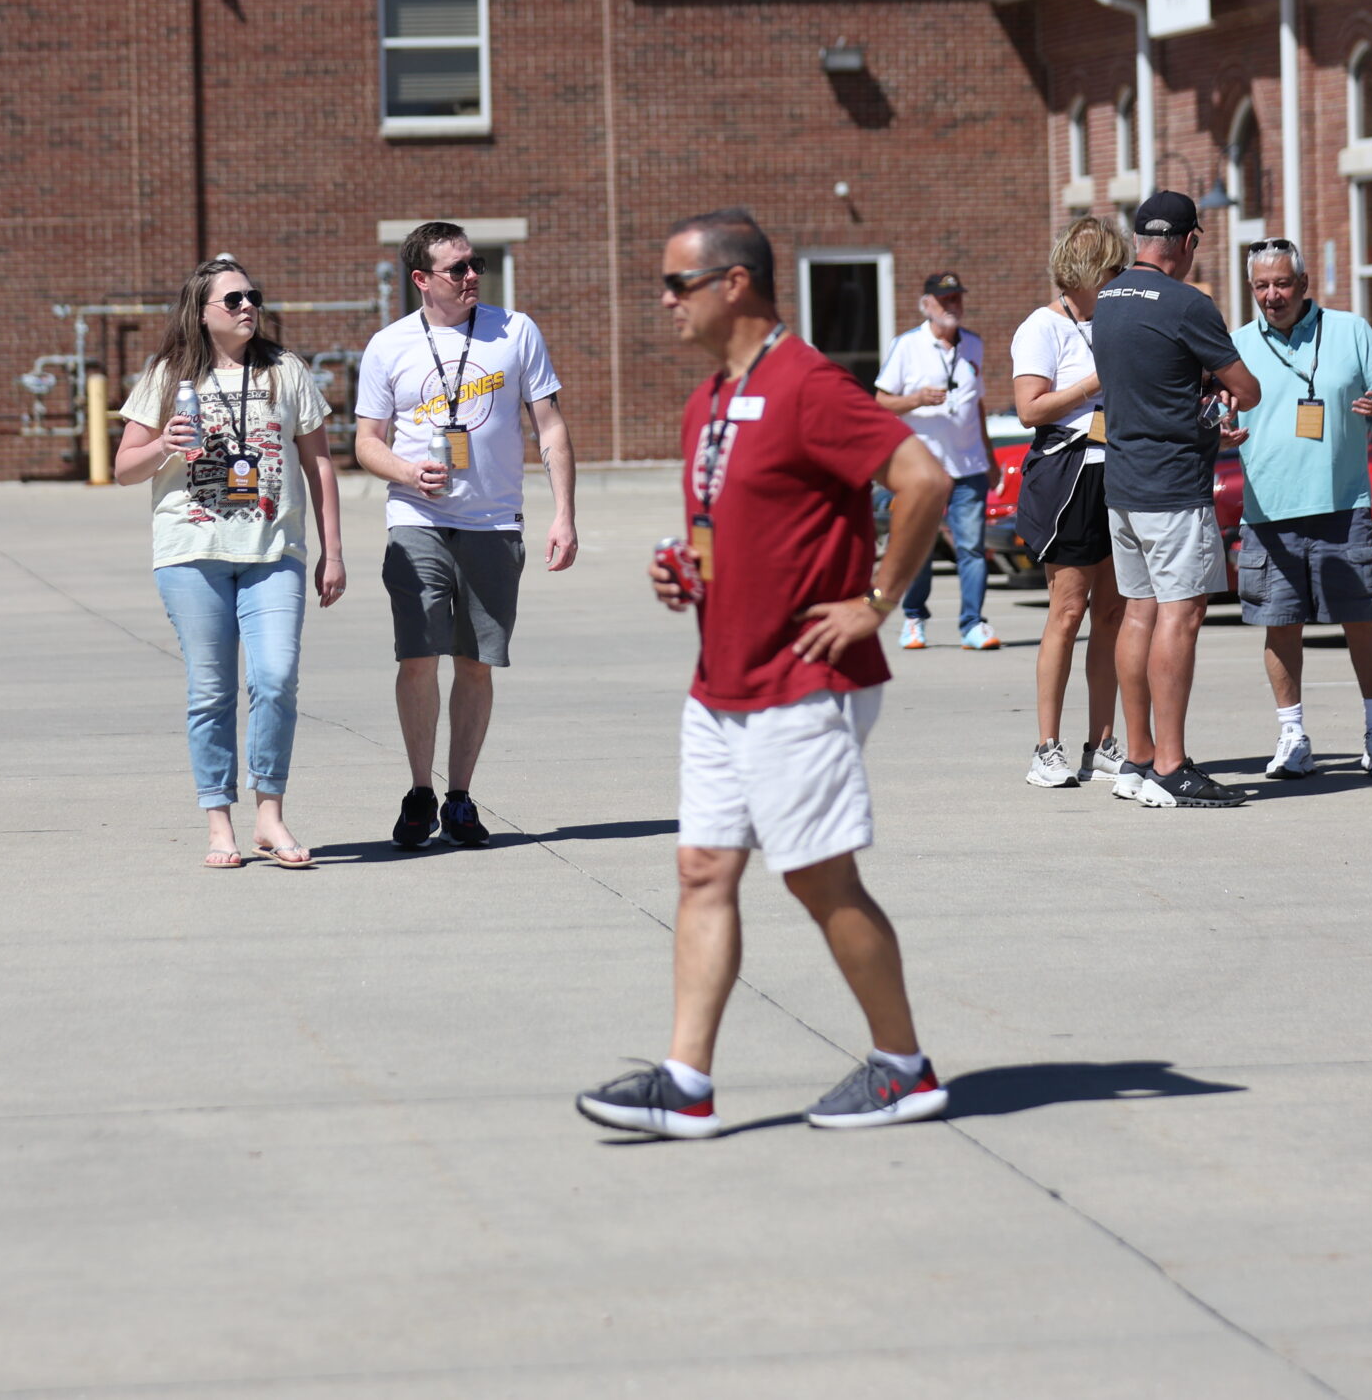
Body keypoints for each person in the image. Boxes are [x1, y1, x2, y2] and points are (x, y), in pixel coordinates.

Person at [576, 209, 952, 1139]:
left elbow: (923, 478)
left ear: (734, 283)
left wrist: (876, 601)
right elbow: (731, 528)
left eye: (678, 284)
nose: (666, 301)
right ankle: (686, 1083)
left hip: (802, 677)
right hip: (722, 678)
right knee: (702, 867)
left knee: (818, 877)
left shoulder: (807, 383)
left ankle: (904, 1068)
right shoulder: (709, 398)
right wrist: (688, 570)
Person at [115, 257, 346, 869]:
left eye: (254, 297)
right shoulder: (168, 374)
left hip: (274, 551)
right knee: (211, 690)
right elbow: (123, 468)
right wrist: (163, 444)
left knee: (275, 678)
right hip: (192, 555)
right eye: (234, 299)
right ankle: (219, 822)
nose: (249, 308)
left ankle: (269, 814)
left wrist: (333, 551)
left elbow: (320, 465)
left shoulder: (285, 370)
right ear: (201, 312)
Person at [354, 221, 578, 850]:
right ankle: (419, 793)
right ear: (422, 279)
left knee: (476, 664)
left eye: (475, 263)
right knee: (418, 654)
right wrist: (406, 471)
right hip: (417, 518)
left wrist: (564, 513)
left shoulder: (516, 331)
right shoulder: (389, 345)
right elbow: (367, 442)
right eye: (458, 268)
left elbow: (550, 426)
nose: (473, 275)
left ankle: (458, 797)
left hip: (493, 522)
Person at [1091, 192, 1262, 809]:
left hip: (1123, 482)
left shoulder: (1107, 299)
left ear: (1138, 239)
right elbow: (1248, 388)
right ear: (1189, 242)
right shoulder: (1188, 304)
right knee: (1181, 617)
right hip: (1172, 484)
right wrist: (1215, 390)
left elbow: (1150, 382)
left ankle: (1137, 759)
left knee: (1138, 613)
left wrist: (1195, 396)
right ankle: (1170, 764)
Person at [1227, 239, 1372, 780]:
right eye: (1261, 286)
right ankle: (1293, 736)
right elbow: (1214, 413)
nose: (1272, 295)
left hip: (1342, 504)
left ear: (1304, 285)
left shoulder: (1350, 331)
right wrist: (1216, 431)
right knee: (1280, 626)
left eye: (1282, 284)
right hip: (1268, 511)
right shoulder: (1236, 346)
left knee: (1362, 622)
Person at [1011, 217, 1130, 788]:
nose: (1120, 279)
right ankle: (1046, 747)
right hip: (1069, 476)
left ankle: (1101, 744)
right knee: (1067, 611)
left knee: (1112, 614)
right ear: (1085, 272)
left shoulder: (1116, 321)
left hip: (1120, 470)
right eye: (1113, 270)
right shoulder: (1042, 326)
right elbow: (1029, 410)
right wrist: (1091, 384)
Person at [872, 270, 998, 651]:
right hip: (923, 471)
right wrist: (916, 400)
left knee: (972, 548)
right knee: (921, 548)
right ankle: (914, 619)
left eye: (957, 298)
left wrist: (989, 456)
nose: (952, 306)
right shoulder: (907, 345)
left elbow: (976, 404)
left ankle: (973, 624)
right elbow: (880, 402)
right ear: (926, 305)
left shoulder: (973, 344)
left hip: (968, 466)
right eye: (945, 300)